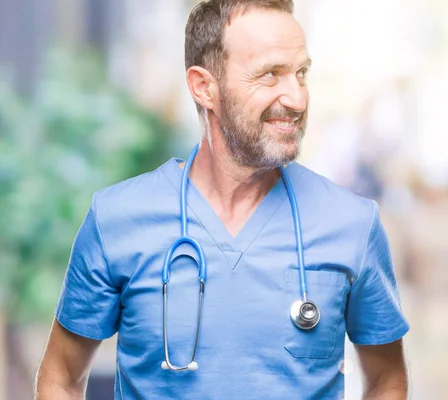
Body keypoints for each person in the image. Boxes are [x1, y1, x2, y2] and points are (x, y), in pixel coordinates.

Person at [35, 1, 410, 398]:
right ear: (204, 87)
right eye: (270, 75)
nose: (298, 99)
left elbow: (387, 378)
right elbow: (60, 373)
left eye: (301, 74)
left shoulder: (351, 224)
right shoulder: (116, 219)